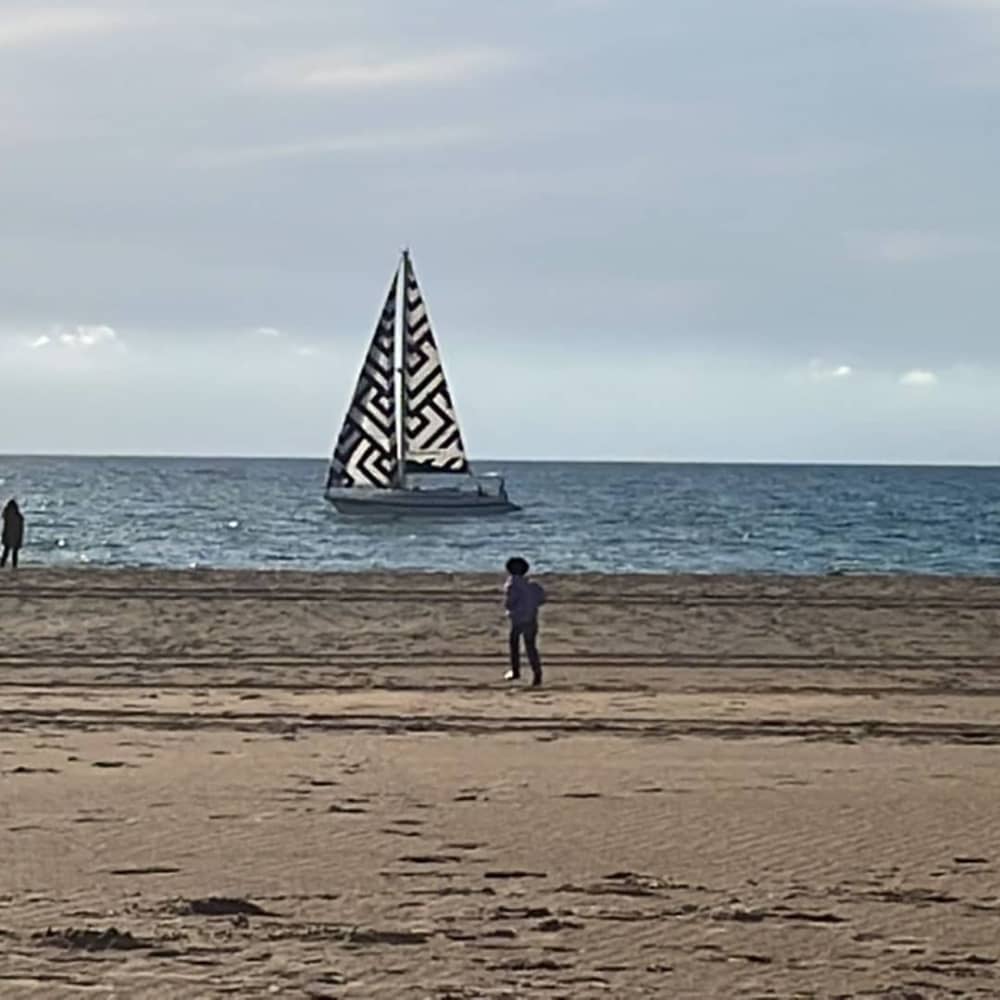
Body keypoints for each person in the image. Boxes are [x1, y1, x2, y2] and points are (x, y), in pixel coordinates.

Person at [503, 556, 546, 687]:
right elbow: (542, 599)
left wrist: (510, 608)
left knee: (514, 645)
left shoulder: (512, 585)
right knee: (531, 647)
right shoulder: (533, 585)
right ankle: (537, 673)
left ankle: (515, 671)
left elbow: (510, 603)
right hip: (531, 618)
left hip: (517, 619)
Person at [1, 499, 24, 570]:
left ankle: (3, 564)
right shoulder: (18, 516)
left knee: (7, 551)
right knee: (13, 552)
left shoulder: (7, 514)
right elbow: (21, 528)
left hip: (9, 535)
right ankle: (13, 566)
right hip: (15, 535)